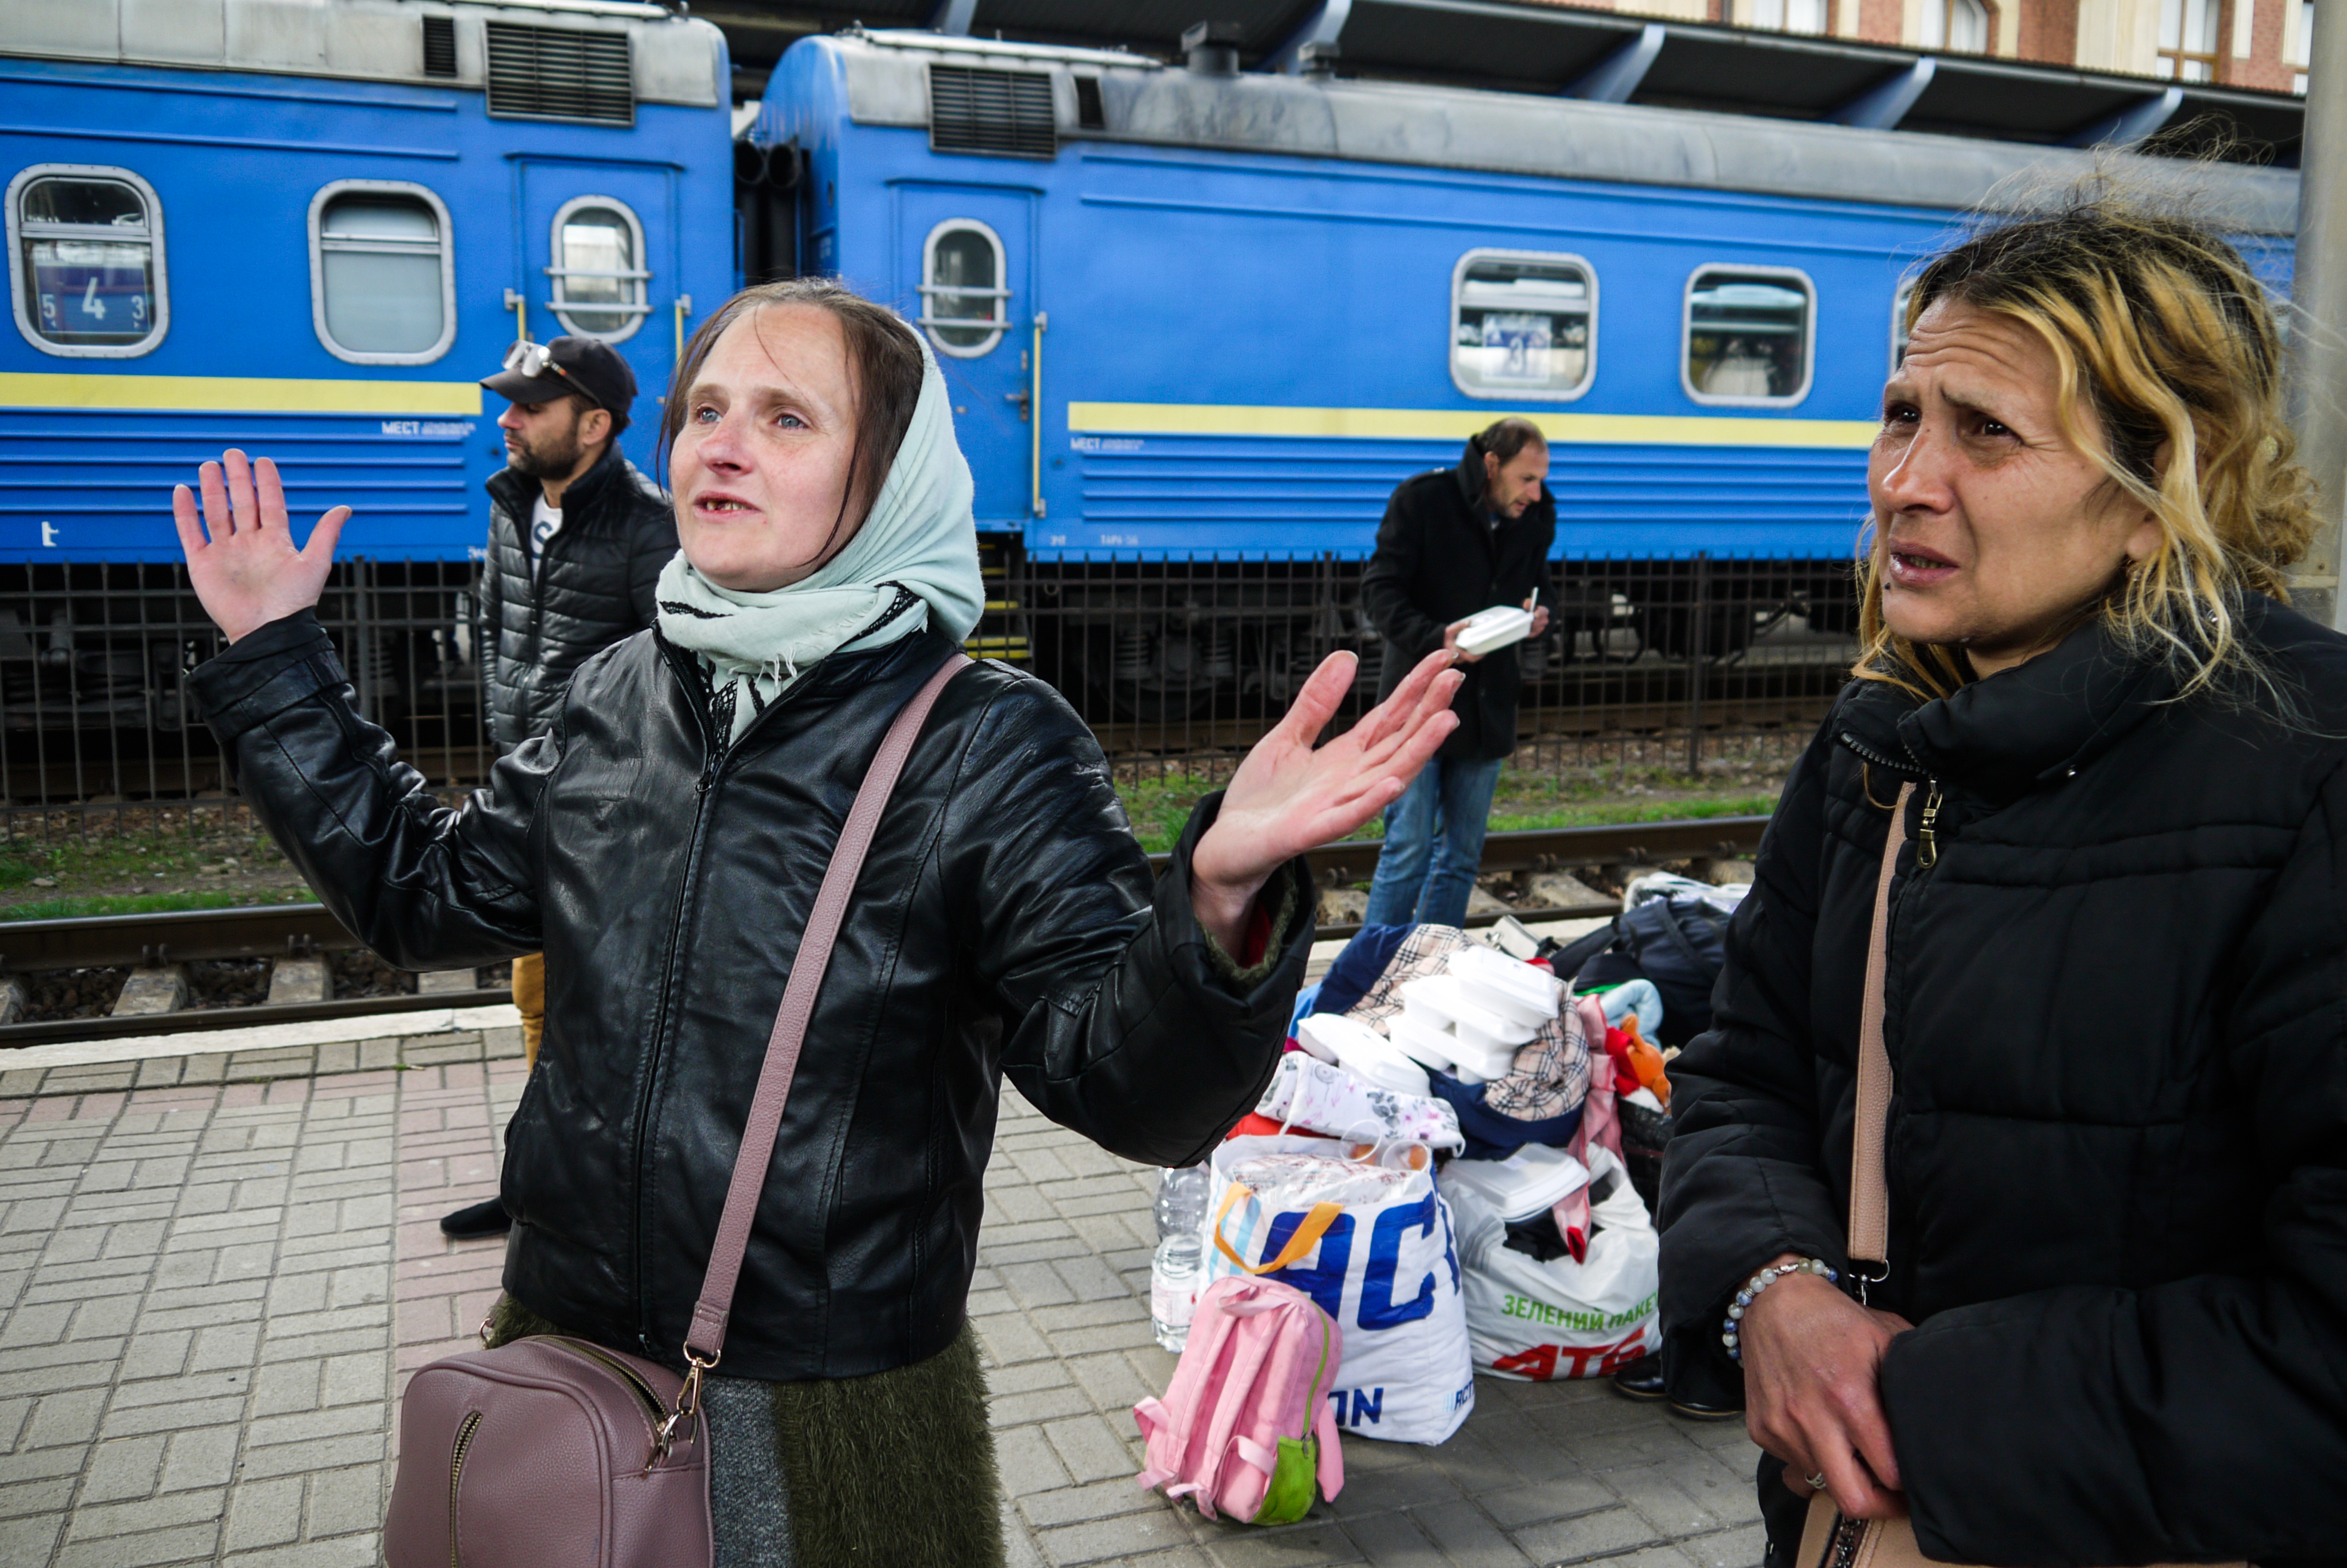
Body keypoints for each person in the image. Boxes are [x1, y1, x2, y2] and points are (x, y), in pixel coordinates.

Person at [169, 278, 1463, 1567]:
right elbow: (422, 893)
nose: (719, 445)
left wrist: (1217, 896)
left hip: (826, 1411)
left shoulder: (987, 744)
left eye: (788, 419)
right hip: (561, 1350)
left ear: (888, 475)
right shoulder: (617, 689)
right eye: (707, 409)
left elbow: (1130, 1090)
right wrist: (277, 660)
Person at [1656, 195, 2347, 1566]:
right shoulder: (1878, 740)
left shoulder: (2310, 773)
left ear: (2164, 488)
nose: (1905, 478)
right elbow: (1741, 1074)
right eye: (1900, 413)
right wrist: (1773, 1294)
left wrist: (1919, 1404)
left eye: (1985, 431)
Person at [439, 334, 676, 1241]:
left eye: (529, 406)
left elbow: (678, 682)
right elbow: (506, 643)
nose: (506, 418)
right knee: (535, 994)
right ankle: (538, 1184)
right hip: (527, 798)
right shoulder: (511, 509)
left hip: (611, 818)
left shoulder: (646, 528)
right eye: (509, 402)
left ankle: (587, 1192)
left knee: (598, 1008)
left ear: (595, 425)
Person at [1358, 416, 1557, 928]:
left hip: (1488, 707)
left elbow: (1539, 583)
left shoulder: (1537, 514)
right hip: (1419, 702)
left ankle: (1433, 964)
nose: (1536, 494)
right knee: (1407, 849)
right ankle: (1372, 970)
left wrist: (1537, 614)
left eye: (1540, 480)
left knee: (1461, 858)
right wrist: (1436, 638)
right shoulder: (1423, 500)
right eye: (1526, 479)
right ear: (1492, 466)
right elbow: (1379, 590)